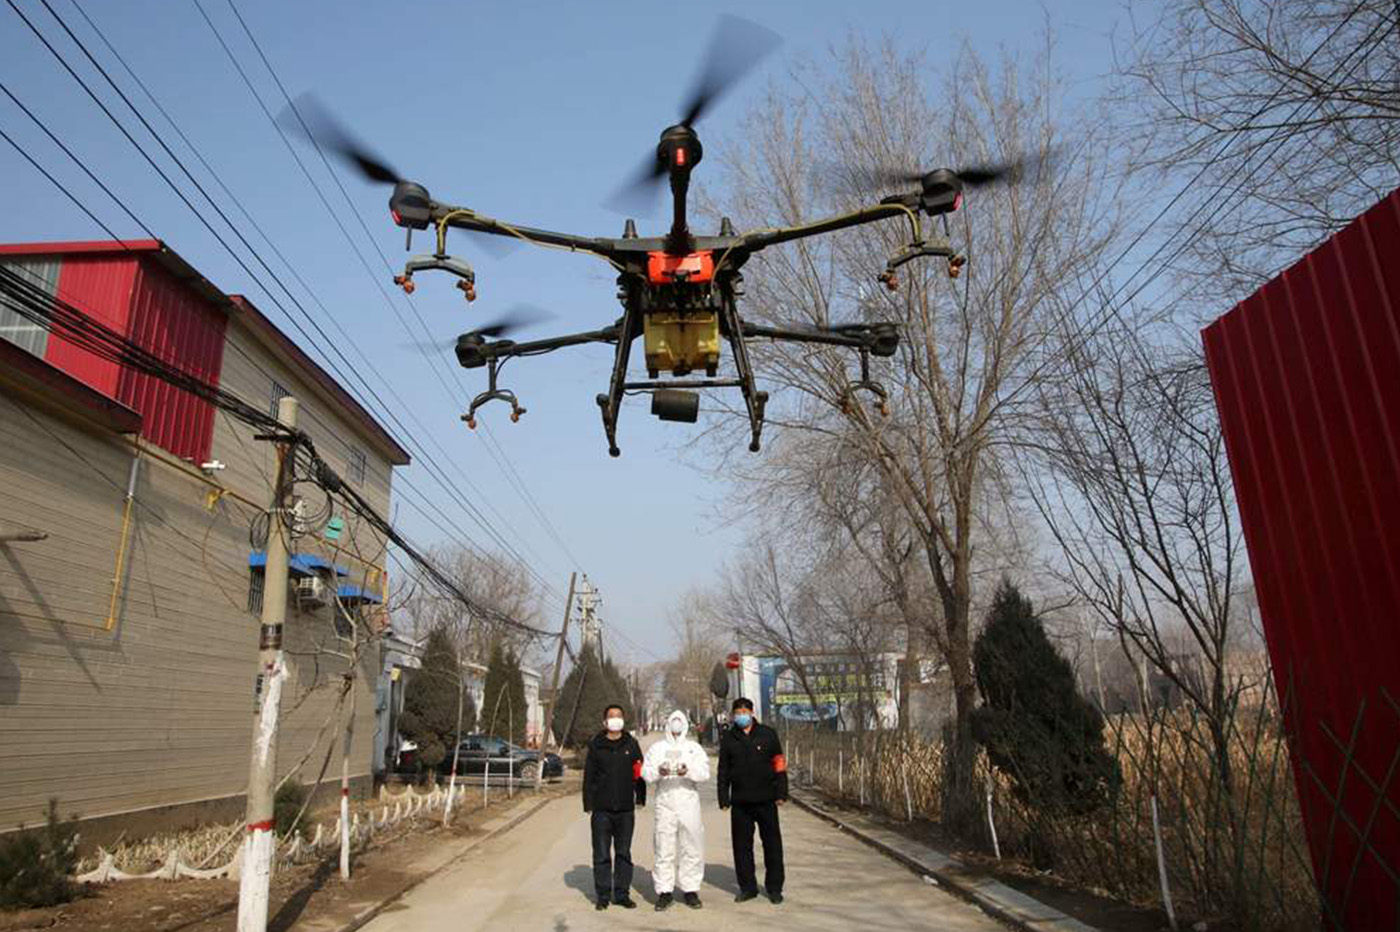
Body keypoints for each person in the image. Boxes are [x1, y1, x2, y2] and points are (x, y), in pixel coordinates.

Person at [717, 697, 788, 904]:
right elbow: (723, 770)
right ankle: (747, 887)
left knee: (772, 845)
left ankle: (774, 888)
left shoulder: (768, 734)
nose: (741, 715)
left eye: (744, 711)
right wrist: (723, 796)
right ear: (733, 715)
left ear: (751, 712)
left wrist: (781, 792)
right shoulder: (729, 738)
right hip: (740, 802)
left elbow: (779, 764)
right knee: (742, 847)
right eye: (737, 712)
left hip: (766, 799)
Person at [641, 710, 710, 911]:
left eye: (680, 722)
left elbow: (704, 772)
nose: (677, 725)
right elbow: (646, 772)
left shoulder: (693, 748)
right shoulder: (657, 748)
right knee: (664, 846)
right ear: (668, 724)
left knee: (692, 845)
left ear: (685, 725)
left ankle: (690, 889)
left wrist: (687, 770)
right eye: (673, 721)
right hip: (665, 801)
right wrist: (658, 772)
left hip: (688, 800)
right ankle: (664, 891)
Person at [582, 703, 645, 910]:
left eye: (619, 716)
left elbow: (639, 772)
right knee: (601, 854)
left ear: (623, 720)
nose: (615, 719)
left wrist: (640, 797)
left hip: (625, 809)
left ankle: (621, 893)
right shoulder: (596, 745)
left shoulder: (631, 744)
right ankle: (602, 895)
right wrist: (588, 802)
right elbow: (589, 775)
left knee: (623, 853)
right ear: (605, 721)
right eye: (611, 716)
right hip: (602, 809)